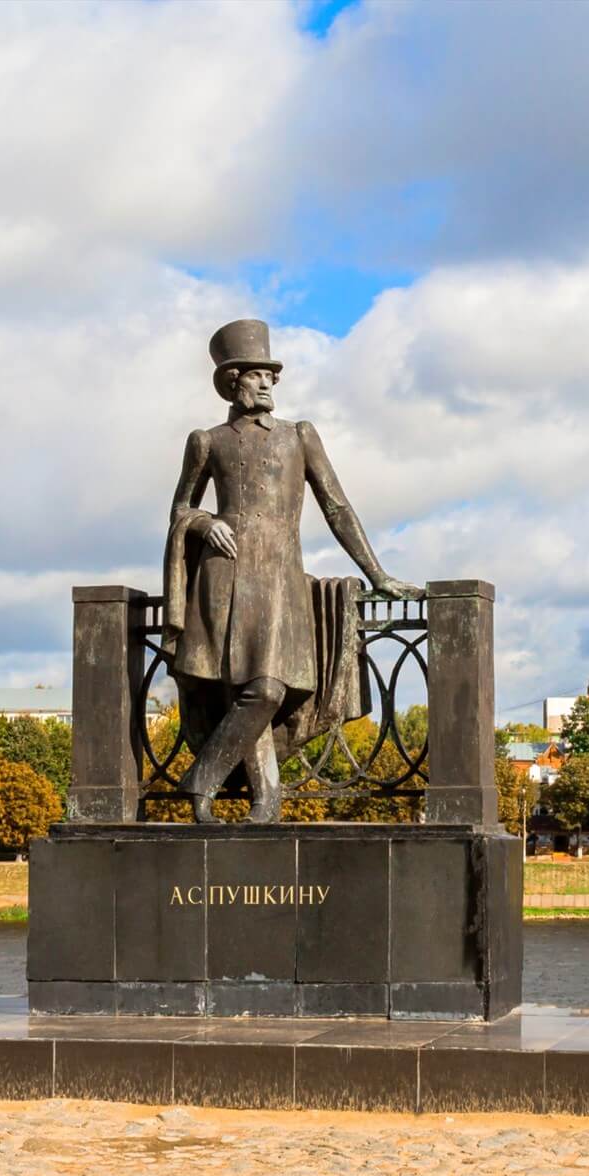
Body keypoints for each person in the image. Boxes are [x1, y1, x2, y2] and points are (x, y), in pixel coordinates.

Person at [164, 319, 416, 822]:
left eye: (272, 376)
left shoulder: (298, 435)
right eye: (258, 375)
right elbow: (179, 509)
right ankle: (265, 804)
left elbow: (337, 507)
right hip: (225, 576)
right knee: (246, 689)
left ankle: (202, 780)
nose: (268, 384)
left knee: (268, 689)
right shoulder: (206, 441)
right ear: (233, 380)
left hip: (280, 579)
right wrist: (204, 524)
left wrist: (378, 573)